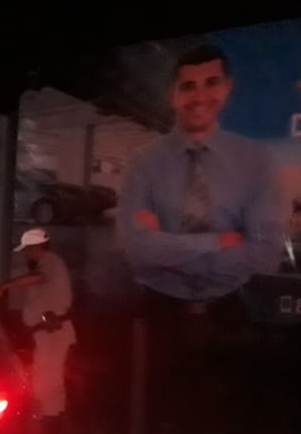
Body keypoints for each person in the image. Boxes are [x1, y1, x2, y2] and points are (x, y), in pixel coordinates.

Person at [118, 43, 284, 323]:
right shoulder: (143, 162)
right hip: (158, 305)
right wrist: (218, 241)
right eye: (188, 86)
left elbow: (266, 253)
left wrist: (170, 255)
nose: (200, 96)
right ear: (173, 95)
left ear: (227, 87)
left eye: (211, 83)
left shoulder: (256, 159)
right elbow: (136, 249)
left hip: (233, 304)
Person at [0, 228, 75, 434]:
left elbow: (38, 279)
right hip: (45, 334)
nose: (25, 254)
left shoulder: (51, 263)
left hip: (52, 334)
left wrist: (3, 287)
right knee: (46, 385)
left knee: (46, 386)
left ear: (35, 247)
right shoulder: (44, 266)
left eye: (26, 250)